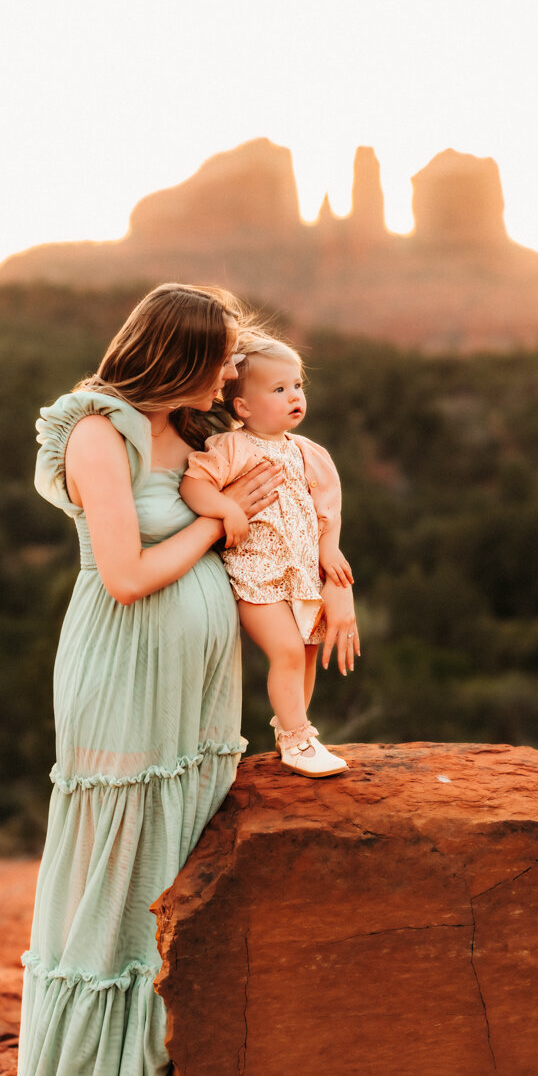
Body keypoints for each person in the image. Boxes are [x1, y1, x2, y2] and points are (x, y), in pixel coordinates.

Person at [13, 284, 289, 1076]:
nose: (229, 377)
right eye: (219, 362)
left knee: (173, 861)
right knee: (117, 868)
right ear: (176, 355)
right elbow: (126, 575)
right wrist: (218, 526)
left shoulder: (198, 432)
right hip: (123, 671)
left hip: (195, 692)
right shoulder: (99, 432)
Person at [180, 329, 360, 778]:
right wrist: (225, 508)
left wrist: (330, 549)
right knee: (285, 651)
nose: (294, 396)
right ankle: (298, 740)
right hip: (255, 575)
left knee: (304, 647)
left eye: (297, 386)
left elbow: (327, 510)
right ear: (242, 406)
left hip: (299, 573)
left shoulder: (308, 452)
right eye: (279, 390)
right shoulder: (232, 446)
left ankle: (293, 730)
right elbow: (193, 484)